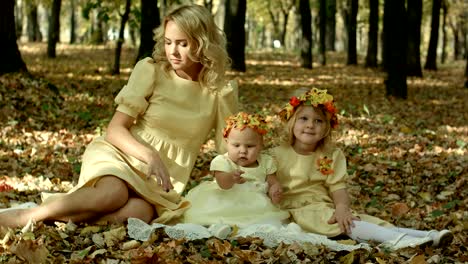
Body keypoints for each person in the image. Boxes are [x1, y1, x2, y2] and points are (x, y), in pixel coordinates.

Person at [0, 4, 237, 228]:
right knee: (114, 193)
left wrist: (258, 171)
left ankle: (57, 216)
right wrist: (150, 155)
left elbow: (228, 147)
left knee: (139, 213)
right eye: (168, 42)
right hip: (121, 154)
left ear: (202, 43)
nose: (172, 51)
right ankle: (28, 216)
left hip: (160, 182)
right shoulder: (151, 71)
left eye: (182, 44)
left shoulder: (219, 92)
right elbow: (115, 129)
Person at [270, 88, 453, 250]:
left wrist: (342, 207)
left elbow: (337, 187)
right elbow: (262, 179)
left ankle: (429, 236)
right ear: (291, 121)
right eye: (303, 118)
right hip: (299, 210)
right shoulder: (275, 154)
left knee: (363, 221)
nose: (310, 125)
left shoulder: (331, 154)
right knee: (349, 225)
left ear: (326, 128)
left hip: (324, 206)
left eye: (318, 121)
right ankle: (401, 241)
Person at [182, 112, 289, 236]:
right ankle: (217, 227)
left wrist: (275, 188)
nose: (243, 150)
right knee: (215, 213)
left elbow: (272, 180)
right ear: (227, 143)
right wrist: (231, 177)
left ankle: (245, 231)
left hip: (254, 203)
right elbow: (223, 184)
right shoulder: (222, 161)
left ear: (261, 145)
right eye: (236, 145)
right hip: (225, 197)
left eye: (250, 146)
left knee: (261, 221)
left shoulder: (266, 161)